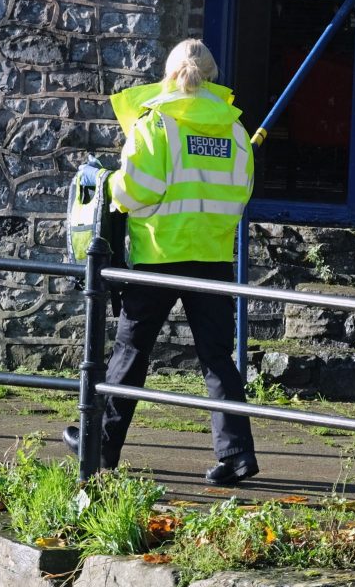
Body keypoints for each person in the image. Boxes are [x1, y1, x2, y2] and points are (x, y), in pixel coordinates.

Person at [63, 39, 259, 486]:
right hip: (211, 256)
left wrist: (105, 181)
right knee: (217, 358)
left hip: (158, 254)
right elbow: (242, 192)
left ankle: (100, 445)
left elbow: (134, 192)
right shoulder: (234, 129)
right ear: (212, 76)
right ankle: (237, 455)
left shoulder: (157, 124)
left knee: (131, 352)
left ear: (169, 75)